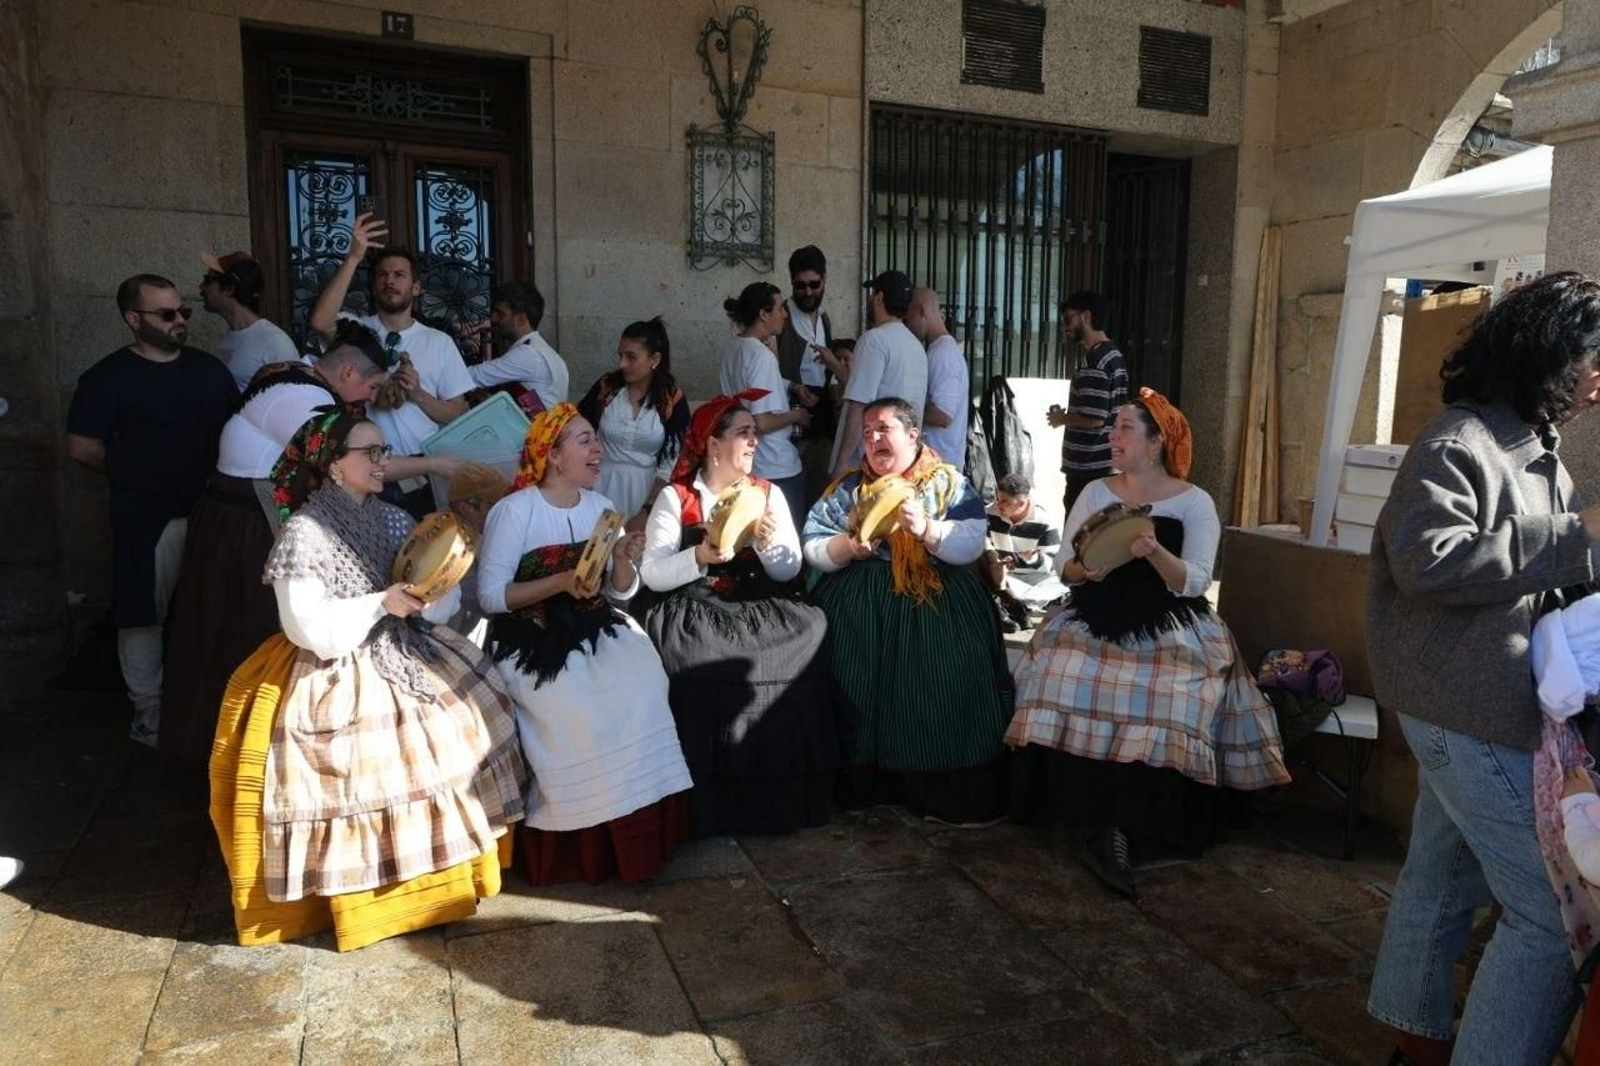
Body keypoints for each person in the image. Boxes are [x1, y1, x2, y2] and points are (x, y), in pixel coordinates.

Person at [1362, 272, 1600, 1066]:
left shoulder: (1535, 449)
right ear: (1552, 355)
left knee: (1441, 870)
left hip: (1468, 696)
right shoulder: (1457, 441)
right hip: (1459, 702)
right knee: (1543, 911)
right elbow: (1428, 563)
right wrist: (1578, 535)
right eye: (1594, 356)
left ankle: (1410, 1039)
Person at [208, 410, 528, 952]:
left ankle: (446, 887)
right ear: (335, 465)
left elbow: (433, 601)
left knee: (462, 719)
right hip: (335, 665)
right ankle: (368, 903)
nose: (384, 463)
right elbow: (307, 628)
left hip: (404, 646)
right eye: (371, 454)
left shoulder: (394, 518)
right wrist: (380, 602)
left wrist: (431, 592)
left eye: (383, 452)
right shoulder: (304, 534)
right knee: (362, 762)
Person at [1006, 389, 1289, 899]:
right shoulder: (1096, 492)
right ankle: (1081, 809)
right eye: (1113, 427)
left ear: (1156, 442)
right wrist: (1085, 569)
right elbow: (1062, 566)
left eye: (1125, 429)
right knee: (1057, 672)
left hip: (1169, 616)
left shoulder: (1194, 501)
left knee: (1174, 694)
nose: (1112, 436)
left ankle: (1135, 821)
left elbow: (1196, 581)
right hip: (1096, 611)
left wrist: (1154, 550)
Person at [160, 321, 402, 767]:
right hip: (247, 528)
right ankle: (247, 755)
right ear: (348, 371)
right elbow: (348, 464)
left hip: (234, 520)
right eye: (370, 384)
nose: (369, 397)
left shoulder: (293, 375)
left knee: (223, 631)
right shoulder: (304, 399)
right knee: (250, 638)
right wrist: (442, 464)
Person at [477, 403, 693, 885]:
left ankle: (637, 829)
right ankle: (582, 829)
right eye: (585, 441)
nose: (598, 449)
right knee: (576, 705)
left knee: (644, 684)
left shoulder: (601, 509)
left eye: (596, 439)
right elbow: (492, 596)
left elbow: (620, 592)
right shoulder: (514, 511)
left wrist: (621, 558)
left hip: (593, 625)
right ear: (553, 457)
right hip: (531, 635)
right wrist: (559, 583)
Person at [803, 396, 1012, 824]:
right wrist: (847, 547)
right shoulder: (848, 489)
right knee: (854, 678)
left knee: (942, 679)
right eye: (867, 433)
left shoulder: (947, 482)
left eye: (884, 429)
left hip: (932, 593)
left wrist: (928, 531)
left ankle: (937, 784)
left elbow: (972, 539)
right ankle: (864, 783)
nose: (874, 439)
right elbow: (813, 543)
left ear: (913, 435)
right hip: (860, 600)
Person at [638, 391, 839, 836]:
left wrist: (767, 545)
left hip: (756, 597)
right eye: (743, 433)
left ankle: (775, 792)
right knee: (696, 654)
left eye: (754, 434)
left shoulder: (767, 493)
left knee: (810, 631)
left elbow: (789, 568)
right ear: (713, 444)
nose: (753, 442)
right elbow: (651, 572)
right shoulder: (678, 497)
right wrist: (701, 556)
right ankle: (708, 797)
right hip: (695, 600)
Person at [65, 274, 238, 747]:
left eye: (184, 311)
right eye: (166, 313)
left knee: (213, 610)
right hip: (145, 518)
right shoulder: (106, 379)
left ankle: (210, 707)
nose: (180, 319)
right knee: (142, 615)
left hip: (211, 512)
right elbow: (82, 447)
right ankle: (149, 714)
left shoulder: (209, 372)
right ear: (133, 319)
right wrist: (136, 476)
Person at [308, 212, 474, 519]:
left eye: (399, 275)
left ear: (415, 288)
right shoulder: (356, 331)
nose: (389, 281)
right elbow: (320, 321)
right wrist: (354, 257)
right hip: (360, 468)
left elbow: (458, 412)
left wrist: (419, 395)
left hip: (419, 474)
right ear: (373, 286)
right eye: (382, 275)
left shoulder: (439, 342)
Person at [576, 317, 689, 532]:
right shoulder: (607, 388)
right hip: (599, 486)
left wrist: (649, 508)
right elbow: (579, 429)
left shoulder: (671, 398)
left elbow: (675, 459)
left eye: (631, 357)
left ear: (654, 359)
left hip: (646, 493)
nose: (622, 364)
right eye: (621, 355)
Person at [719, 282, 812, 532]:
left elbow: (751, 388)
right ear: (763, 313)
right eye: (780, 308)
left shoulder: (734, 347)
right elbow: (761, 422)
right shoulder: (761, 355)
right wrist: (797, 415)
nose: (784, 314)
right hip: (776, 466)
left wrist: (792, 386)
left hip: (744, 465)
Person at [829, 271, 927, 480]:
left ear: (880, 298)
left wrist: (842, 463)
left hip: (867, 463)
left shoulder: (874, 340)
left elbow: (859, 404)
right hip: (903, 459)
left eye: (873, 294)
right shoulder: (916, 347)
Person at [1046, 291, 1128, 518]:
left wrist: (1062, 418)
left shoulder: (1095, 361)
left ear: (1086, 316)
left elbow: (1094, 418)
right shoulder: (1113, 355)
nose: (1065, 326)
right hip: (1106, 465)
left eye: (1068, 319)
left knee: (1079, 540)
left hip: (1089, 469)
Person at [776, 245, 843, 500]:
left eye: (814, 285)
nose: (807, 292)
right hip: (793, 416)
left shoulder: (824, 318)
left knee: (820, 488)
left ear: (824, 280)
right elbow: (769, 371)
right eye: (800, 285)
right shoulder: (781, 317)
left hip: (823, 416)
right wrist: (794, 388)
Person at [199, 251, 299, 390]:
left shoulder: (275, 342)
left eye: (207, 280)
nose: (201, 286)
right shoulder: (227, 339)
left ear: (229, 289)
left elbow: (292, 398)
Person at [467, 280, 569, 415]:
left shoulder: (528, 354)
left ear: (521, 319)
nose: (494, 318)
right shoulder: (541, 351)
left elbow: (473, 376)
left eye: (500, 313)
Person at [444, 460, 513, 647]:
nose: (504, 513)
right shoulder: (451, 548)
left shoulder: (470, 532)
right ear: (466, 508)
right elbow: (493, 605)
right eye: (494, 506)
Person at [906, 287, 969, 471]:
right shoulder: (940, 350)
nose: (908, 325)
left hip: (939, 467)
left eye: (908, 318)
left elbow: (942, 415)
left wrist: (902, 412)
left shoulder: (943, 354)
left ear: (921, 310)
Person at [986, 472, 1064, 603]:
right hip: (1002, 577)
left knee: (1061, 583)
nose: (999, 504)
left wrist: (1034, 559)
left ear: (1021, 504)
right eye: (998, 499)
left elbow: (1054, 563)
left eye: (1005, 501)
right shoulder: (988, 513)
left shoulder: (1044, 520)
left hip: (1033, 578)